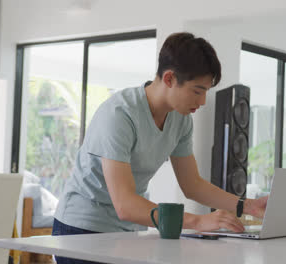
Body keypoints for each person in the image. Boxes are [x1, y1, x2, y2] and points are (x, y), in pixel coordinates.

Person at [52, 32, 268, 263]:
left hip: (128, 230)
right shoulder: (119, 115)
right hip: (81, 230)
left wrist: (249, 206)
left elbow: (192, 185)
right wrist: (198, 222)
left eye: (206, 91)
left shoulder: (181, 120)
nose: (203, 101)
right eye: (197, 91)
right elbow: (125, 204)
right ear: (169, 79)